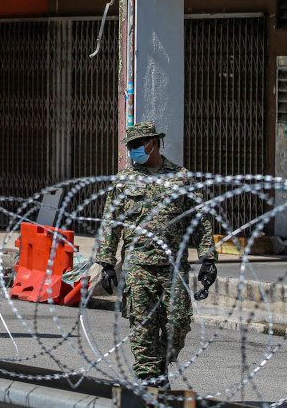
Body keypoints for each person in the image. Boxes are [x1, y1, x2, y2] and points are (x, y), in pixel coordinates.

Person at [94, 122, 216, 389]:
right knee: (142, 327)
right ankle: (150, 379)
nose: (134, 151)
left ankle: (160, 362)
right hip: (138, 267)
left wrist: (208, 258)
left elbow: (201, 219)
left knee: (179, 322)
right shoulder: (124, 180)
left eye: (138, 146)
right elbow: (110, 222)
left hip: (173, 266)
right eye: (131, 147)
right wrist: (106, 262)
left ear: (154, 143)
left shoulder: (181, 177)